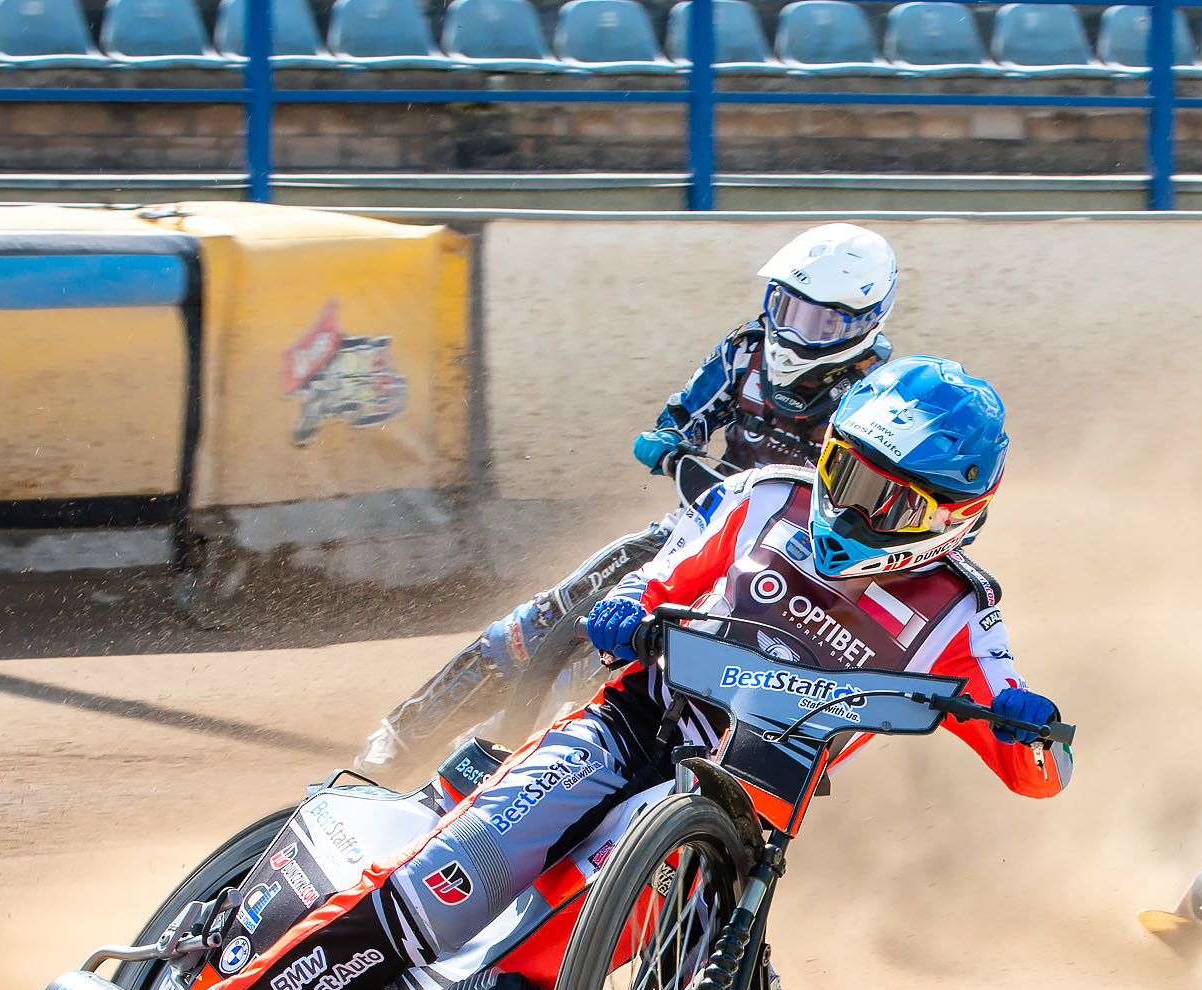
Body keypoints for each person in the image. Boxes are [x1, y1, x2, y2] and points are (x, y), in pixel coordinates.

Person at [164, 356, 1069, 990]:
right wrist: (629, 606)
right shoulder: (763, 498)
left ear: (953, 520)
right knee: (453, 877)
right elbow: (660, 570)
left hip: (739, 830)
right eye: (846, 470)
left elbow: (1042, 776)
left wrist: (1029, 726)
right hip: (629, 728)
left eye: (889, 497)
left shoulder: (961, 613)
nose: (852, 505)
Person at [357, 224, 901, 774]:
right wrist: (670, 444)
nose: (792, 328)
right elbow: (681, 419)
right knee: (547, 616)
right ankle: (402, 737)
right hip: (696, 526)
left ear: (864, 322)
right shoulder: (745, 352)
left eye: (819, 319)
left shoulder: (880, 396)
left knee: (629, 674)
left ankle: (526, 762)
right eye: (785, 305)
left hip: (790, 576)